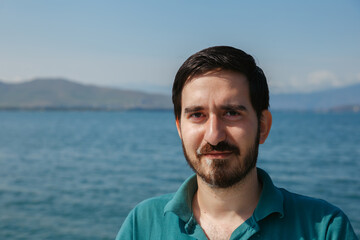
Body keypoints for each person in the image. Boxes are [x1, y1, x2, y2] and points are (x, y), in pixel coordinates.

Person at [116, 46, 357, 240]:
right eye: (197, 115)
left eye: (231, 113)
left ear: (263, 126)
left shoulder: (325, 228)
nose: (214, 136)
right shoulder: (143, 224)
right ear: (180, 128)